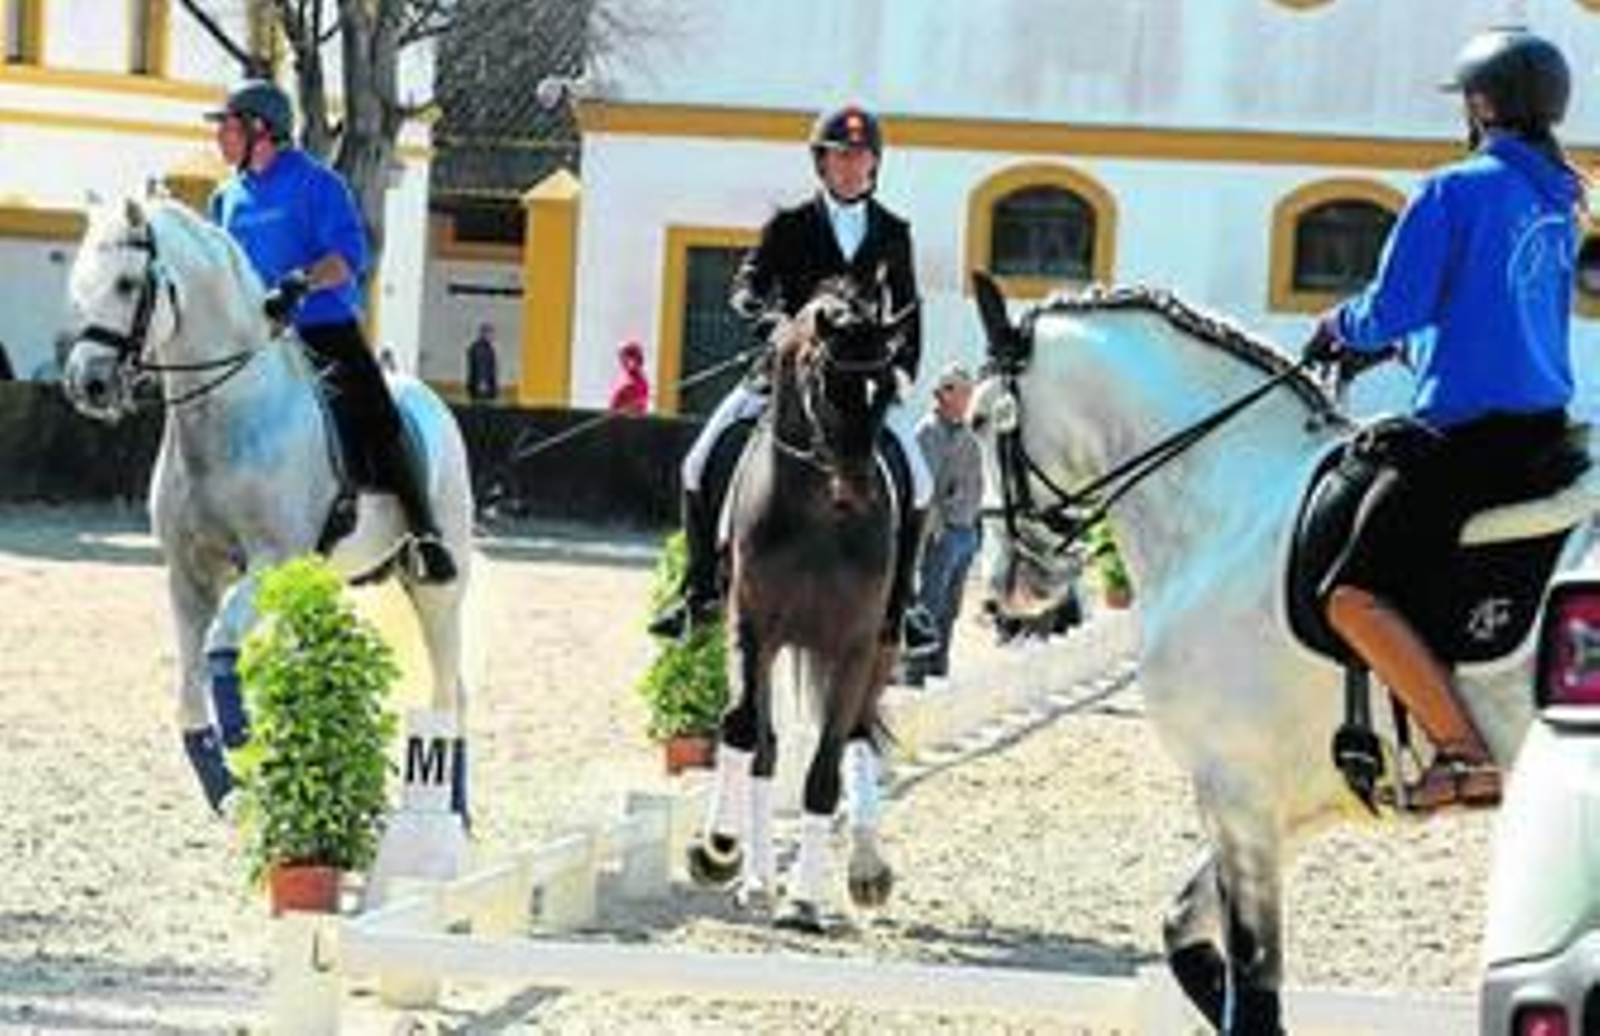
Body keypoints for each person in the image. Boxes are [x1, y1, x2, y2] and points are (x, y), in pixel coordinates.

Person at [1305, 26, 1582, 812]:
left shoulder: (1454, 188)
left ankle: (1461, 753)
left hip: (1469, 439)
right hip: (1541, 427)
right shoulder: (1560, 196)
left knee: (1350, 594)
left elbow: (1392, 306)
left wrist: (1338, 329)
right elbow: (1494, 312)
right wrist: (1416, 351)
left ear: (1483, 103)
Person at [647, 103, 938, 659]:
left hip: (859, 381)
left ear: (876, 165)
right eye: (841, 157)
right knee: (699, 461)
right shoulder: (789, 225)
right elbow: (746, 286)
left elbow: (909, 309)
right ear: (821, 164)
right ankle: (699, 591)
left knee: (919, 480)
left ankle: (906, 606)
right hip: (785, 375)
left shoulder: (894, 232)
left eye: (861, 158)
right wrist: (773, 322)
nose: (852, 167)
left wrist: (902, 370)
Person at [206, 78, 456, 584]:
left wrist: (301, 283)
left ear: (261, 130)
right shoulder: (225, 197)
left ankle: (424, 534)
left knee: (377, 410)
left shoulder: (318, 184)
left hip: (320, 327)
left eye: (228, 127)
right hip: (253, 338)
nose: (220, 138)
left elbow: (348, 258)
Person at [905, 363, 984, 686]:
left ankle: (940, 668)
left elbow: (976, 481)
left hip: (966, 531)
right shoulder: (928, 432)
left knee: (952, 608)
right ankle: (917, 671)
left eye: (969, 390)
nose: (968, 397)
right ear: (944, 394)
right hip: (943, 533)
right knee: (931, 604)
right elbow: (925, 487)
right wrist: (936, 527)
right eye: (962, 390)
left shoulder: (967, 433)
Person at [609, 339, 651, 414]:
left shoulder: (642, 382)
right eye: (623, 360)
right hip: (621, 419)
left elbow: (642, 406)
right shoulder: (622, 381)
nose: (628, 363)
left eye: (633, 358)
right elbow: (614, 406)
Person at [466, 321, 499, 403]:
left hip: (481, 386)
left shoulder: (486, 347)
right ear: (484, 334)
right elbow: (481, 367)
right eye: (490, 333)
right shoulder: (480, 348)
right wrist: (482, 383)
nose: (492, 336)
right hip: (482, 387)